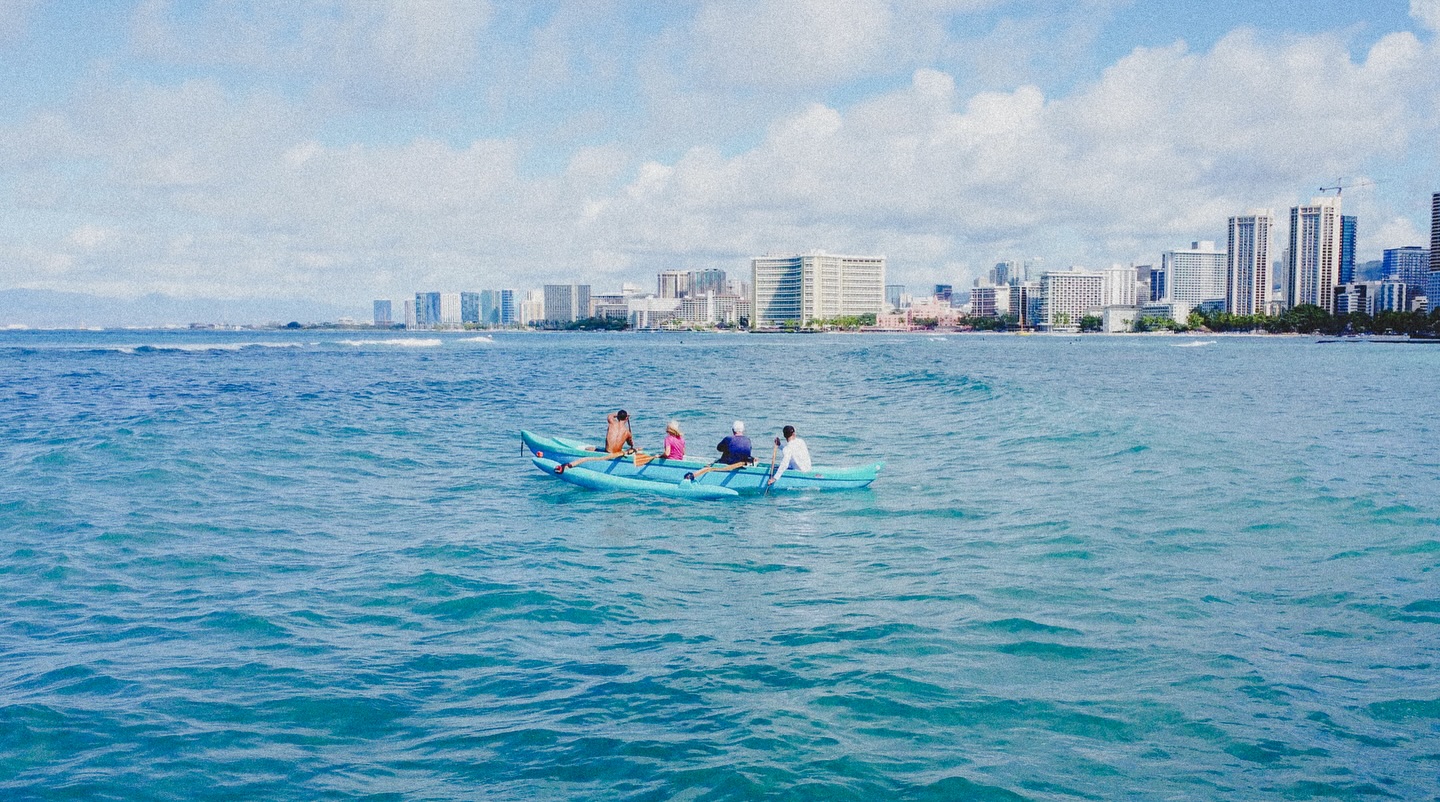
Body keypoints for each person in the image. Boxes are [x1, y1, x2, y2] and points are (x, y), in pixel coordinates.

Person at [557, 409, 635, 473]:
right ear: (626, 418)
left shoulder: (612, 422)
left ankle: (584, 450)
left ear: (617, 417)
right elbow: (630, 444)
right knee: (596, 448)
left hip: (607, 452)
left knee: (592, 448)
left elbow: (610, 415)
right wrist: (631, 443)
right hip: (615, 454)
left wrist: (620, 414)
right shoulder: (628, 433)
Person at [684, 420, 754, 481]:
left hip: (728, 465)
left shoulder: (728, 439)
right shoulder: (748, 440)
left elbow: (719, 449)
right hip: (742, 465)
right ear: (743, 430)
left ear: (733, 430)